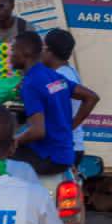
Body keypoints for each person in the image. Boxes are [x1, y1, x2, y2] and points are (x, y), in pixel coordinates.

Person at [9, 31, 99, 175]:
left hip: (51, 157)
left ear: (25, 52)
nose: (9, 55)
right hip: (65, 153)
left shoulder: (32, 82)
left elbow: (38, 131)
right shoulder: (54, 76)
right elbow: (92, 97)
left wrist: (13, 142)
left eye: (12, 50)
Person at [41, 28, 86, 165]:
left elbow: (91, 98)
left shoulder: (62, 77)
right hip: (69, 145)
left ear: (49, 51)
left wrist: (69, 127)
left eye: (42, 47)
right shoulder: (67, 72)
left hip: (64, 147)